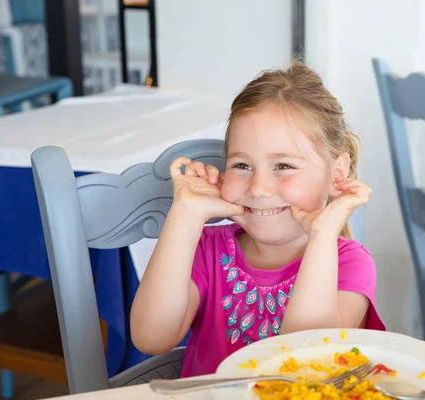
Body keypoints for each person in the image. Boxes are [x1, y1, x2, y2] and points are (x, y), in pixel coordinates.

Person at [130, 61, 385, 377]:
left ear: (336, 173)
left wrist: (322, 235)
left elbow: (308, 367)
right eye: (241, 166)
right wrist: (186, 214)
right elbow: (151, 337)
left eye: (283, 166)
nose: (259, 188)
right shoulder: (207, 250)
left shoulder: (349, 263)